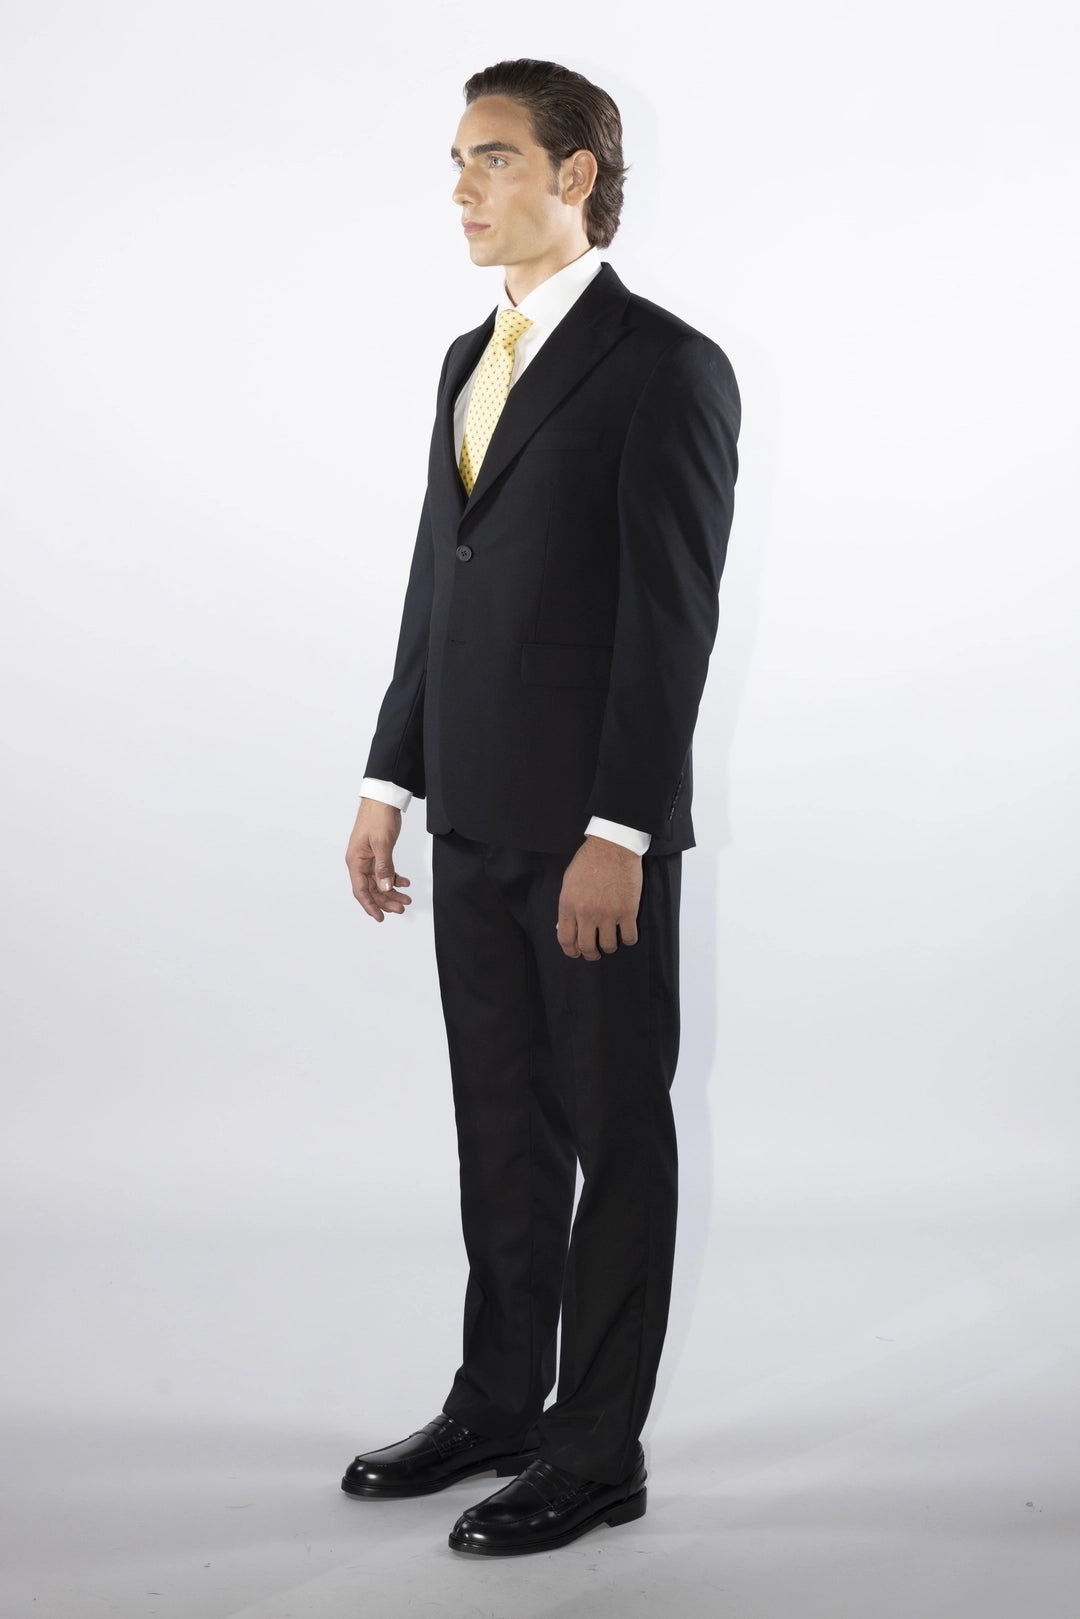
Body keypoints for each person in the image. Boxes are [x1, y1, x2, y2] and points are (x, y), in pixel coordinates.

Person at [341, 57, 740, 1558]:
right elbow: (437, 583)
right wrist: (390, 777)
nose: (463, 187)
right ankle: (500, 1402)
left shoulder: (666, 367)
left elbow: (670, 621)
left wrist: (620, 831)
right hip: (471, 816)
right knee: (500, 1128)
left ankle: (595, 1450)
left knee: (614, 1136)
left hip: (589, 838)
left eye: (493, 158)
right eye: (458, 160)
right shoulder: (469, 357)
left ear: (576, 175)